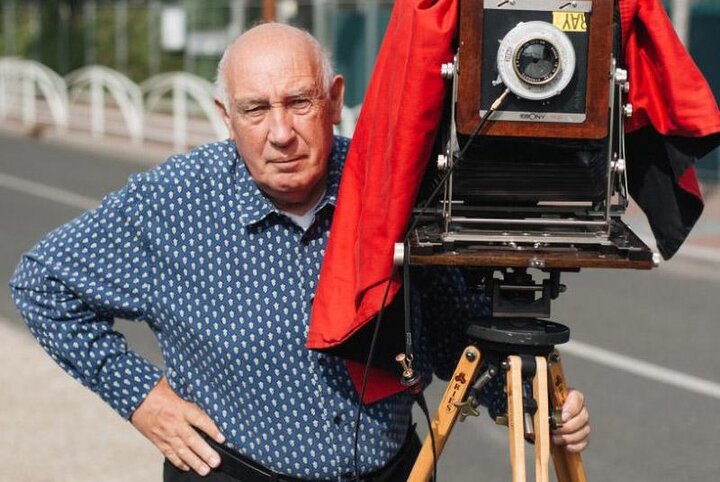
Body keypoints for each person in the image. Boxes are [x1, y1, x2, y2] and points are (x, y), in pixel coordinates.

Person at [9, 23, 590, 481]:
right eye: (255, 110)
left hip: (395, 471)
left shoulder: (388, 182)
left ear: (334, 100)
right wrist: (142, 399)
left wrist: (532, 409)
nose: (280, 132)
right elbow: (41, 285)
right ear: (226, 118)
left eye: (299, 102)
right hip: (236, 474)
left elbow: (448, 328)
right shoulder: (173, 200)